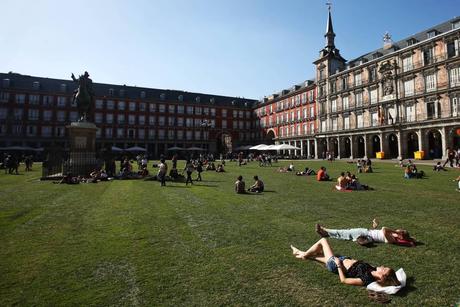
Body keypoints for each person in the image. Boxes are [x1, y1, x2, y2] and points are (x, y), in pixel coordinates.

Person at [291, 238, 401, 287]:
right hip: (343, 258)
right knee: (315, 255)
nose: (382, 266)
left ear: (382, 276)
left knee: (323, 241)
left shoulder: (367, 279)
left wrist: (338, 264)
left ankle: (304, 254)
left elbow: (344, 280)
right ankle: (301, 253)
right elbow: (394, 280)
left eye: (384, 269)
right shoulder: (373, 269)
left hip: (335, 264)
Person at [315, 219, 416, 247]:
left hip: (364, 234)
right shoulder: (394, 237)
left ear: (400, 235)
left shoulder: (392, 239)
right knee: (346, 234)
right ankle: (326, 233)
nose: (399, 229)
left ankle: (325, 230)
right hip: (366, 232)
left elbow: (384, 229)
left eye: (400, 230)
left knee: (344, 232)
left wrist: (395, 232)